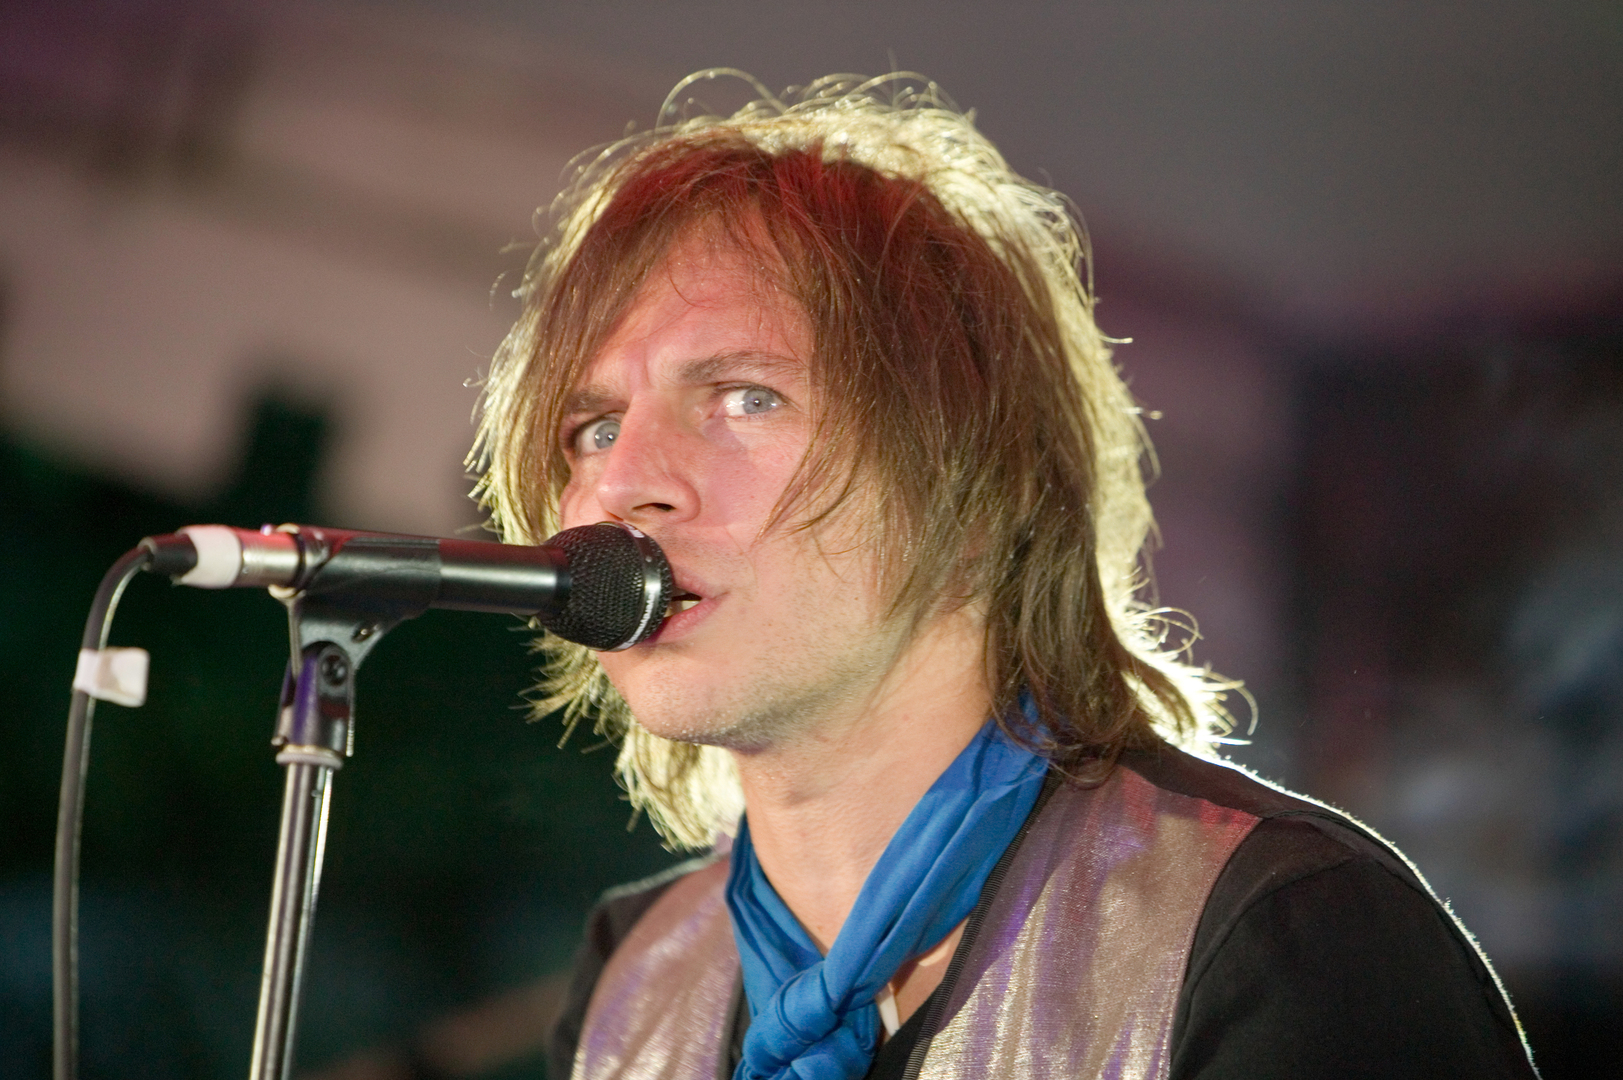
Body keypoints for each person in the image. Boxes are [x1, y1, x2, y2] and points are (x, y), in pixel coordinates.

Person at [469, 73, 1538, 1080]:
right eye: (594, 427)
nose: (626, 484)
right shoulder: (631, 985)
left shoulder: (1285, 935)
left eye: (747, 398)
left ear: (975, 481)